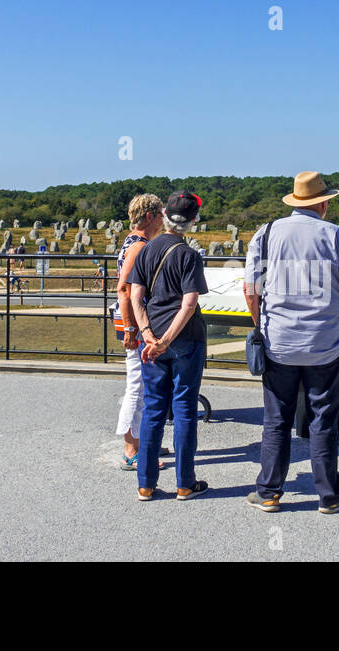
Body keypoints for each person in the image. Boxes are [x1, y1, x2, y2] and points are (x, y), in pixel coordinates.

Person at [243, 171, 339, 515]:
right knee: (323, 418)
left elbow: (251, 290)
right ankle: (329, 495)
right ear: (323, 203)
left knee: (276, 418)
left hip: (278, 341)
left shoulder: (265, 234)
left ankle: (268, 491)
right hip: (324, 341)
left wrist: (261, 325)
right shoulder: (337, 236)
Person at [127, 190, 210, 502]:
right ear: (193, 221)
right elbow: (189, 305)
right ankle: (184, 483)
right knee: (184, 409)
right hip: (185, 339)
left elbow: (136, 296)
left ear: (163, 216)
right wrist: (167, 340)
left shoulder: (146, 250)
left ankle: (146, 484)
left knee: (153, 409)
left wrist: (148, 334)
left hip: (151, 340)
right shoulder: (188, 255)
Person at [112, 193, 165, 471]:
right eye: (159, 215)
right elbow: (124, 288)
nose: (162, 220)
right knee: (137, 385)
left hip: (133, 320)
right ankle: (131, 449)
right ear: (149, 217)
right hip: (132, 321)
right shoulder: (139, 246)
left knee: (142, 384)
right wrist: (132, 328)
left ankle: (142, 440)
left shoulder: (132, 242)